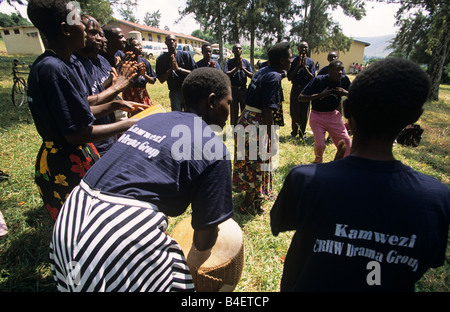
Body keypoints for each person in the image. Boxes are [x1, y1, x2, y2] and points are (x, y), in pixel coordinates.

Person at [271, 57, 450, 292]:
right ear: (413, 119)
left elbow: (279, 223)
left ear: (347, 110)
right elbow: (429, 260)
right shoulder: (437, 199)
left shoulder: (304, 180)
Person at [49, 67, 234, 292]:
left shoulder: (151, 119)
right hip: (115, 242)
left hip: (67, 226)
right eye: (229, 103)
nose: (229, 111)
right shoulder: (214, 149)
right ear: (212, 102)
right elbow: (203, 241)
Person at [26, 0, 140, 221]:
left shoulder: (60, 65)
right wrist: (128, 125)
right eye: (78, 20)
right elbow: (75, 133)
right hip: (66, 163)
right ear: (65, 29)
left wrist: (115, 103)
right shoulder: (54, 70)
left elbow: (80, 109)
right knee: (82, 222)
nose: (86, 31)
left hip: (76, 154)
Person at [233, 42, 292, 215]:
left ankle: (257, 197)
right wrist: (271, 138)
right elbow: (267, 110)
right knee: (257, 163)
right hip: (257, 123)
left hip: (246, 119)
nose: (291, 60)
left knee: (251, 161)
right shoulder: (273, 77)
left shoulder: (262, 71)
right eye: (289, 57)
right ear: (282, 60)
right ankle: (247, 204)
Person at [299, 60, 352, 163]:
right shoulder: (318, 80)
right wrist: (320, 95)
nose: (340, 72)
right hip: (317, 116)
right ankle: (318, 162)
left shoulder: (344, 80)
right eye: (337, 69)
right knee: (320, 145)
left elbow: (357, 94)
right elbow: (301, 97)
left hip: (333, 116)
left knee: (347, 143)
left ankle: (345, 163)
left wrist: (345, 93)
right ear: (329, 71)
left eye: (342, 69)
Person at [156, 34, 197, 112]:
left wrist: (179, 69)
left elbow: (194, 73)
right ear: (165, 43)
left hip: (187, 91)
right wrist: (170, 69)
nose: (172, 42)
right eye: (169, 40)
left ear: (176, 43)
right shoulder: (161, 59)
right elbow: (161, 80)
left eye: (173, 40)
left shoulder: (185, 55)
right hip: (174, 93)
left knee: (191, 115)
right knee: (177, 117)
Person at [287, 41, 315, 140]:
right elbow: (289, 77)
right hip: (296, 88)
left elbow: (313, 78)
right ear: (298, 49)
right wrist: (298, 66)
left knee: (304, 111)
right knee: (294, 111)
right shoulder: (293, 61)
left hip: (306, 89)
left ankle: (302, 133)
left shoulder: (310, 62)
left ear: (308, 49)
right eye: (301, 47)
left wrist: (305, 68)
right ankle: (294, 132)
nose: (303, 49)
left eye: (305, 47)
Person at [224, 43, 254, 126]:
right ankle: (233, 130)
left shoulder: (245, 62)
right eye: (236, 49)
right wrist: (236, 68)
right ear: (233, 51)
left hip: (243, 90)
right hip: (233, 90)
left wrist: (243, 68)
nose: (238, 50)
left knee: (245, 110)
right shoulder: (229, 62)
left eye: (239, 48)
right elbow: (226, 74)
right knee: (234, 111)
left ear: (242, 50)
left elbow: (252, 75)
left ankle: (245, 128)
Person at [122, 37, 157, 106]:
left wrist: (144, 75)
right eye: (136, 45)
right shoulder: (126, 63)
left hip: (143, 95)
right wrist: (137, 74)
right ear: (130, 48)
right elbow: (125, 85)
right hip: (130, 97)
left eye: (140, 45)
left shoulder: (145, 62)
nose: (140, 47)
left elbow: (153, 80)